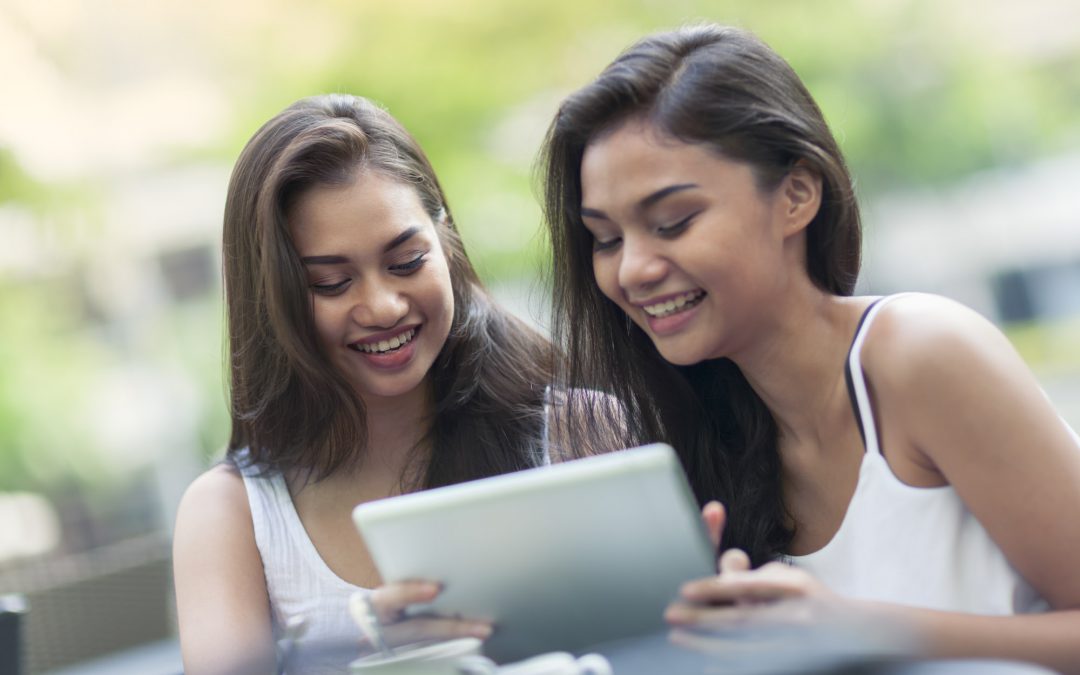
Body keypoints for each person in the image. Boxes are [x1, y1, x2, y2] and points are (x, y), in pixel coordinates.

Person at [540, 24, 1080, 673]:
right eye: (605, 239)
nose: (633, 269)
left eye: (672, 223)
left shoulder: (920, 354)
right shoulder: (700, 438)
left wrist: (856, 628)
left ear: (797, 194)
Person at [173, 94, 564, 675]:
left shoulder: (572, 428)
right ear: (270, 299)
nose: (382, 307)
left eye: (407, 262)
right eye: (331, 283)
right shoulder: (233, 515)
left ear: (445, 243)